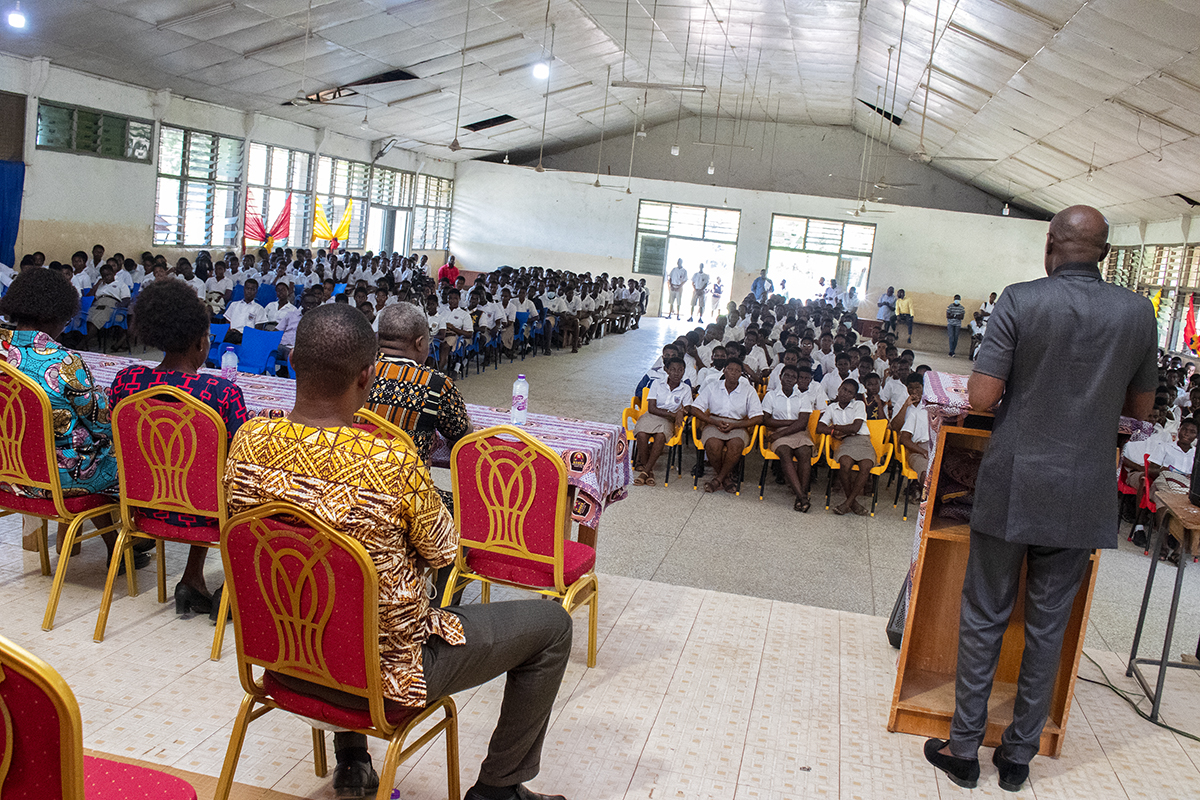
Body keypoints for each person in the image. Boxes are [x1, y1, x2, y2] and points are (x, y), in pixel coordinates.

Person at [224, 304, 572, 800]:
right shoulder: (392, 462)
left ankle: (352, 762)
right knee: (553, 626)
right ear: (367, 376)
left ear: (293, 359)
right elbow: (445, 550)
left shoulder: (247, 443)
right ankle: (500, 788)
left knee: (331, 593)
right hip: (385, 677)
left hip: (284, 658)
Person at [923, 205, 1158, 793]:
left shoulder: (1021, 299)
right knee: (1048, 625)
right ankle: (1020, 756)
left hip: (1014, 482)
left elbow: (981, 397)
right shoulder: (1137, 311)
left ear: (1050, 243)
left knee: (984, 616)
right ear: (1105, 252)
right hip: (1084, 490)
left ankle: (963, 748)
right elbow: (1141, 410)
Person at [109, 278, 250, 617]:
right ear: (201, 342)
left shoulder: (126, 382)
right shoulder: (221, 393)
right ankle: (234, 590)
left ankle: (192, 578)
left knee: (197, 472)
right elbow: (243, 458)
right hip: (206, 513)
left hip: (144, 508)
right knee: (232, 482)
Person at [0, 269, 148, 571]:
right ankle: (133, 537)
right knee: (129, 456)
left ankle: (118, 547)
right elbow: (103, 425)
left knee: (87, 453)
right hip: (58, 481)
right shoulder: (64, 362)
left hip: (9, 474)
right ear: (56, 315)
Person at [365, 303, 474, 505]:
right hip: (409, 498)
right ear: (420, 343)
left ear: (379, 338)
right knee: (466, 506)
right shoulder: (436, 384)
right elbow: (463, 436)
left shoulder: (359, 373)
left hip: (357, 488)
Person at [688, 359, 763, 493]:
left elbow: (758, 417)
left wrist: (736, 425)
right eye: (730, 369)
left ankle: (718, 480)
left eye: (737, 371)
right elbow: (695, 409)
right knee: (713, 445)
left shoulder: (748, 390)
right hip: (714, 422)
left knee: (736, 446)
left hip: (738, 424)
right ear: (724, 370)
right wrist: (714, 422)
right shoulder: (713, 386)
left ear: (741, 374)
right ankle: (725, 479)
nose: (733, 373)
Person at [762, 364, 822, 512]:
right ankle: (802, 497)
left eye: (793, 377)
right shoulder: (771, 396)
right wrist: (791, 423)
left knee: (805, 453)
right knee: (785, 453)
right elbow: (767, 420)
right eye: (786, 375)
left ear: (796, 380)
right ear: (780, 377)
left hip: (798, 433)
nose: (789, 379)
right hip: (781, 432)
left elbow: (802, 424)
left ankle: (800, 497)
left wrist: (779, 433)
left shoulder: (803, 397)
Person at [817, 379, 874, 516]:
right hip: (846, 442)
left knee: (866, 465)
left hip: (863, 440)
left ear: (854, 396)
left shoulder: (859, 405)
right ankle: (852, 503)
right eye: (844, 389)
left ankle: (848, 503)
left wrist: (835, 427)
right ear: (839, 389)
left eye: (850, 392)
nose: (845, 394)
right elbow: (819, 427)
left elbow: (856, 427)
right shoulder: (831, 407)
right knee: (845, 463)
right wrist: (831, 432)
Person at [632, 357, 689, 486]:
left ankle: (645, 471)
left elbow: (688, 407)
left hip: (667, 421)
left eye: (680, 370)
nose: (676, 373)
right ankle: (649, 471)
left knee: (660, 436)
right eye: (673, 369)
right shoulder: (657, 384)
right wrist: (672, 414)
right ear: (666, 370)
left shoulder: (685, 388)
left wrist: (681, 412)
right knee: (641, 433)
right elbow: (651, 408)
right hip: (653, 415)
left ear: (684, 371)